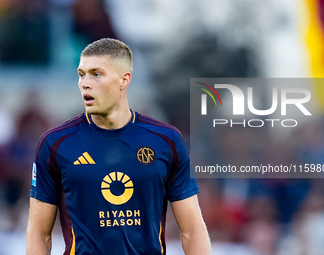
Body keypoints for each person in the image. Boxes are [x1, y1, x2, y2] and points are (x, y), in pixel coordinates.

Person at [26, 38, 212, 255]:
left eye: (96, 74)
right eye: (81, 74)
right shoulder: (55, 143)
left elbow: (191, 229)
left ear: (125, 79)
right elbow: (40, 233)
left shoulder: (166, 141)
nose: (85, 83)